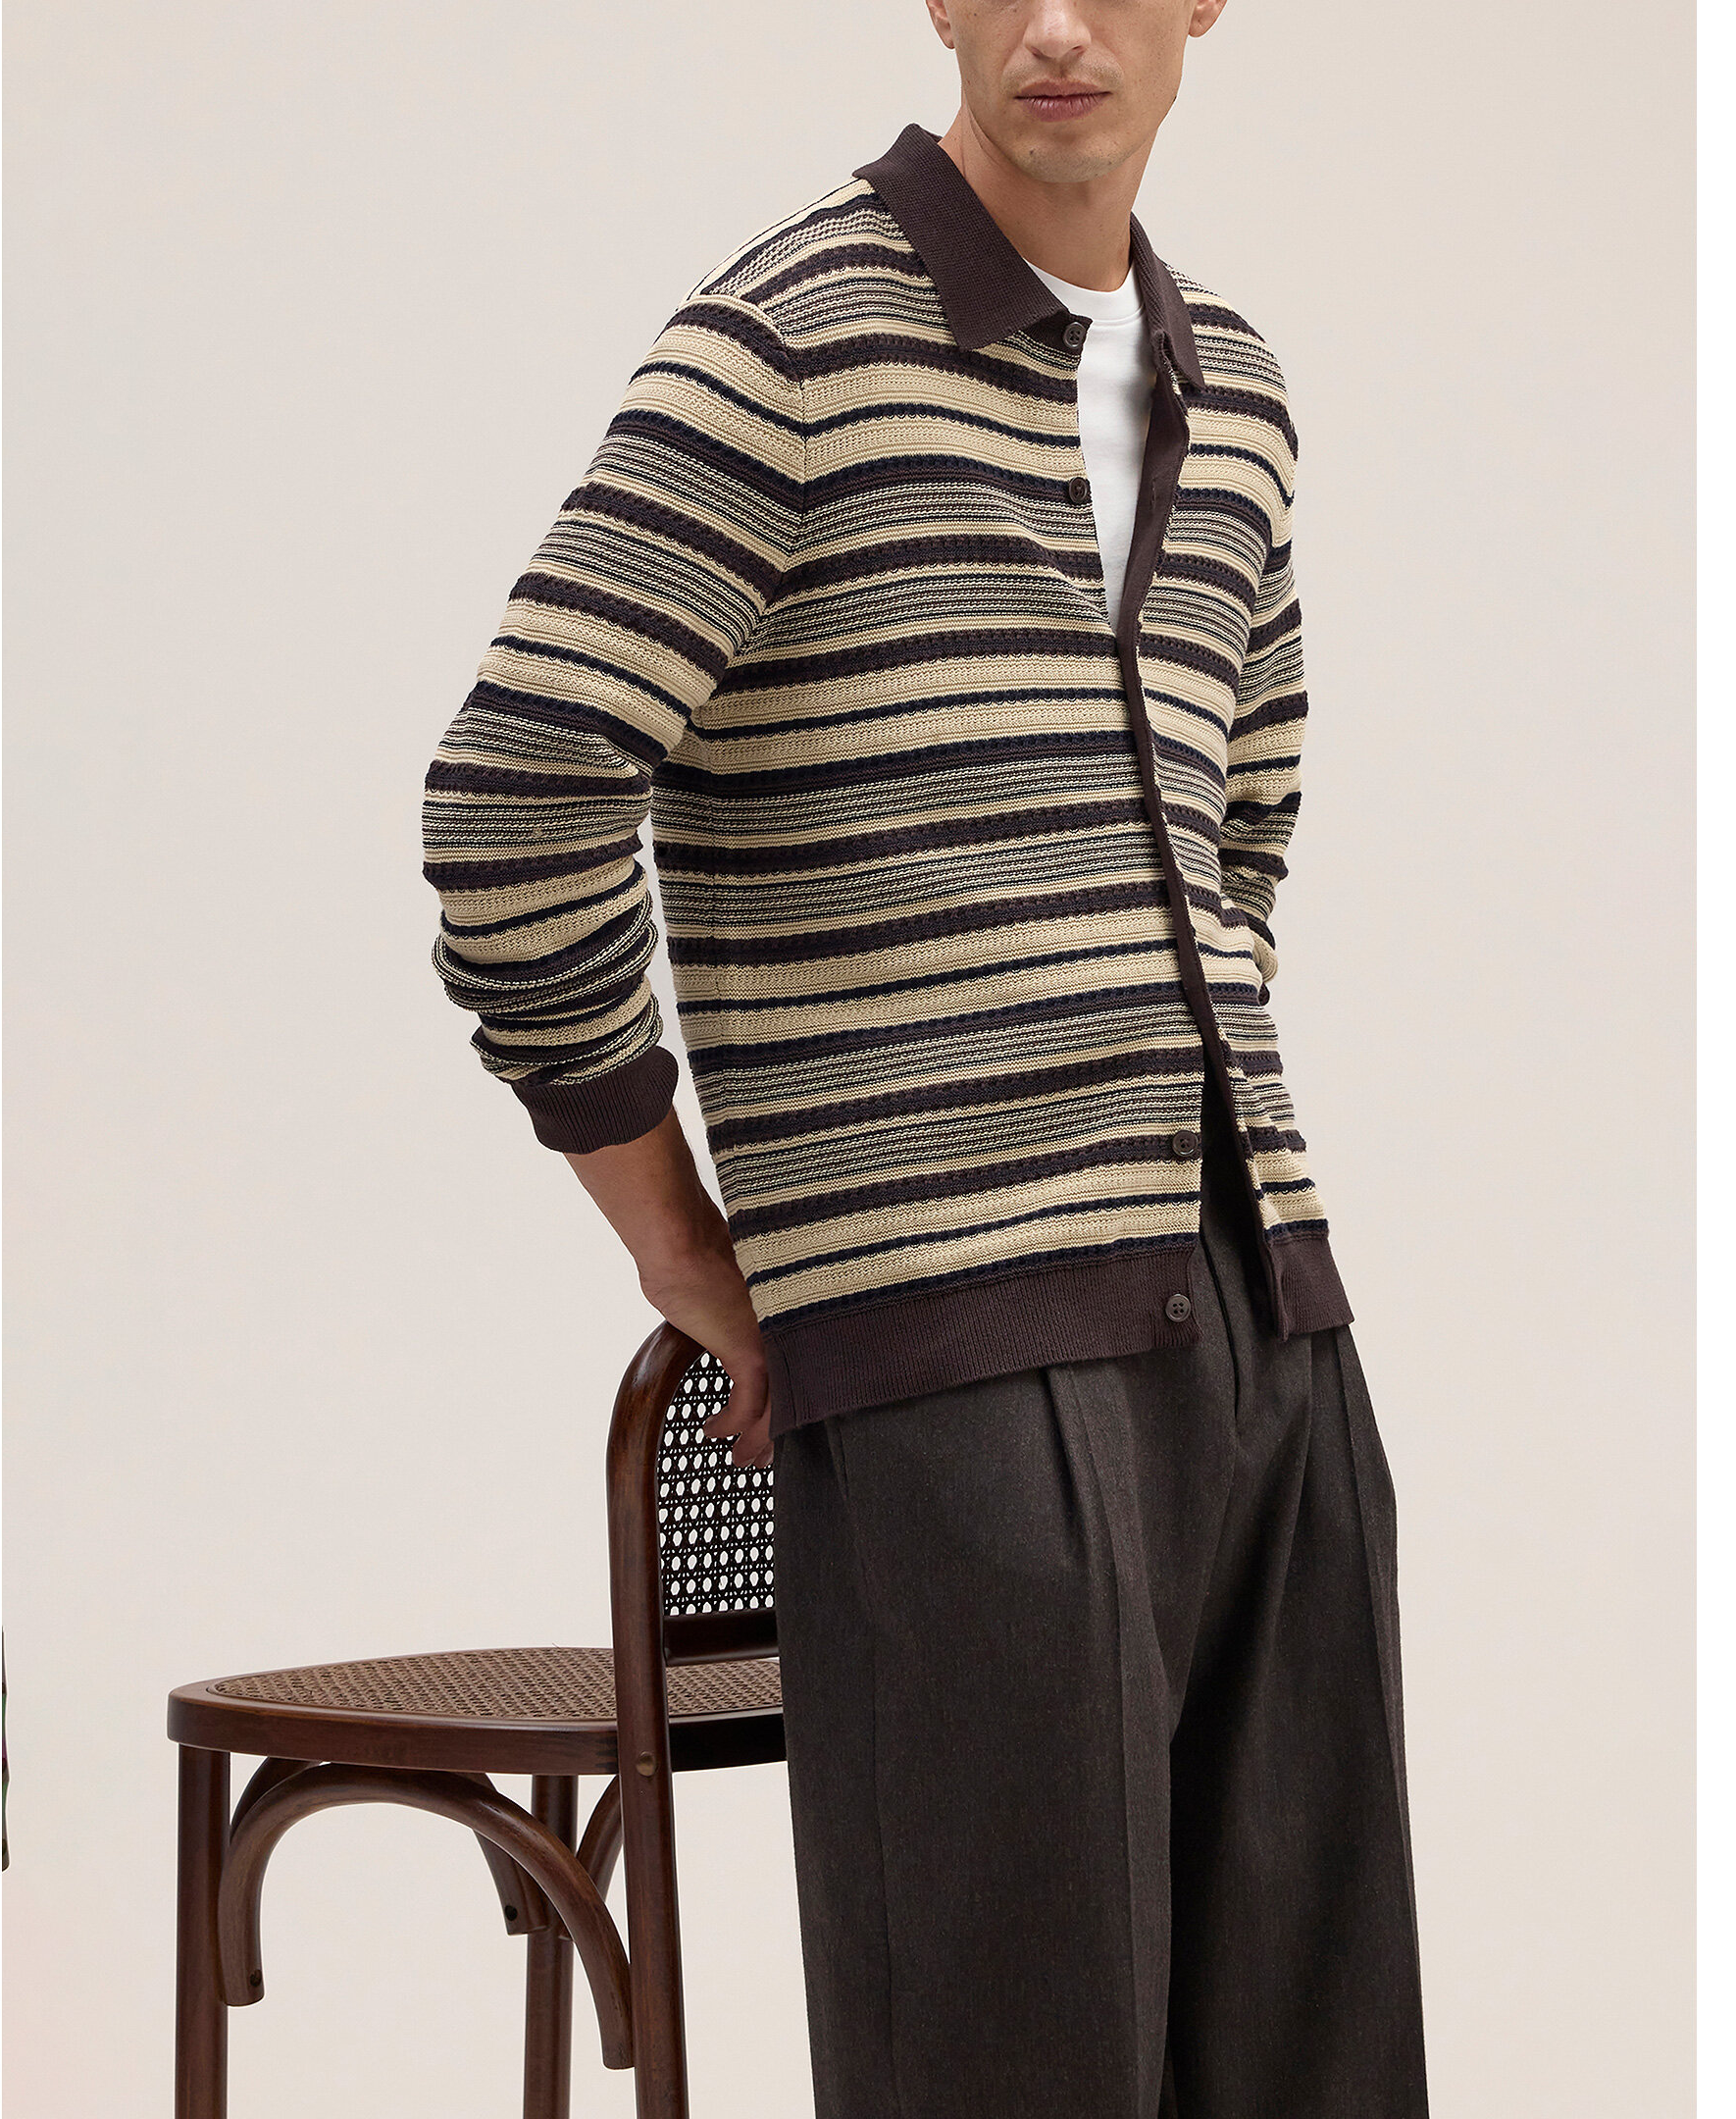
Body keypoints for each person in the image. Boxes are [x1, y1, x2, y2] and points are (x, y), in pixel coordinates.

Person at [421, 2, 1430, 2111]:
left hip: (1267, 1328)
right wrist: (679, 1238)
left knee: (1313, 2064)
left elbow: (1239, 825)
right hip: (952, 1351)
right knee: (1001, 2062)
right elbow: (519, 791)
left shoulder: (1237, 390)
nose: (1058, 25)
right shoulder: (789, 341)